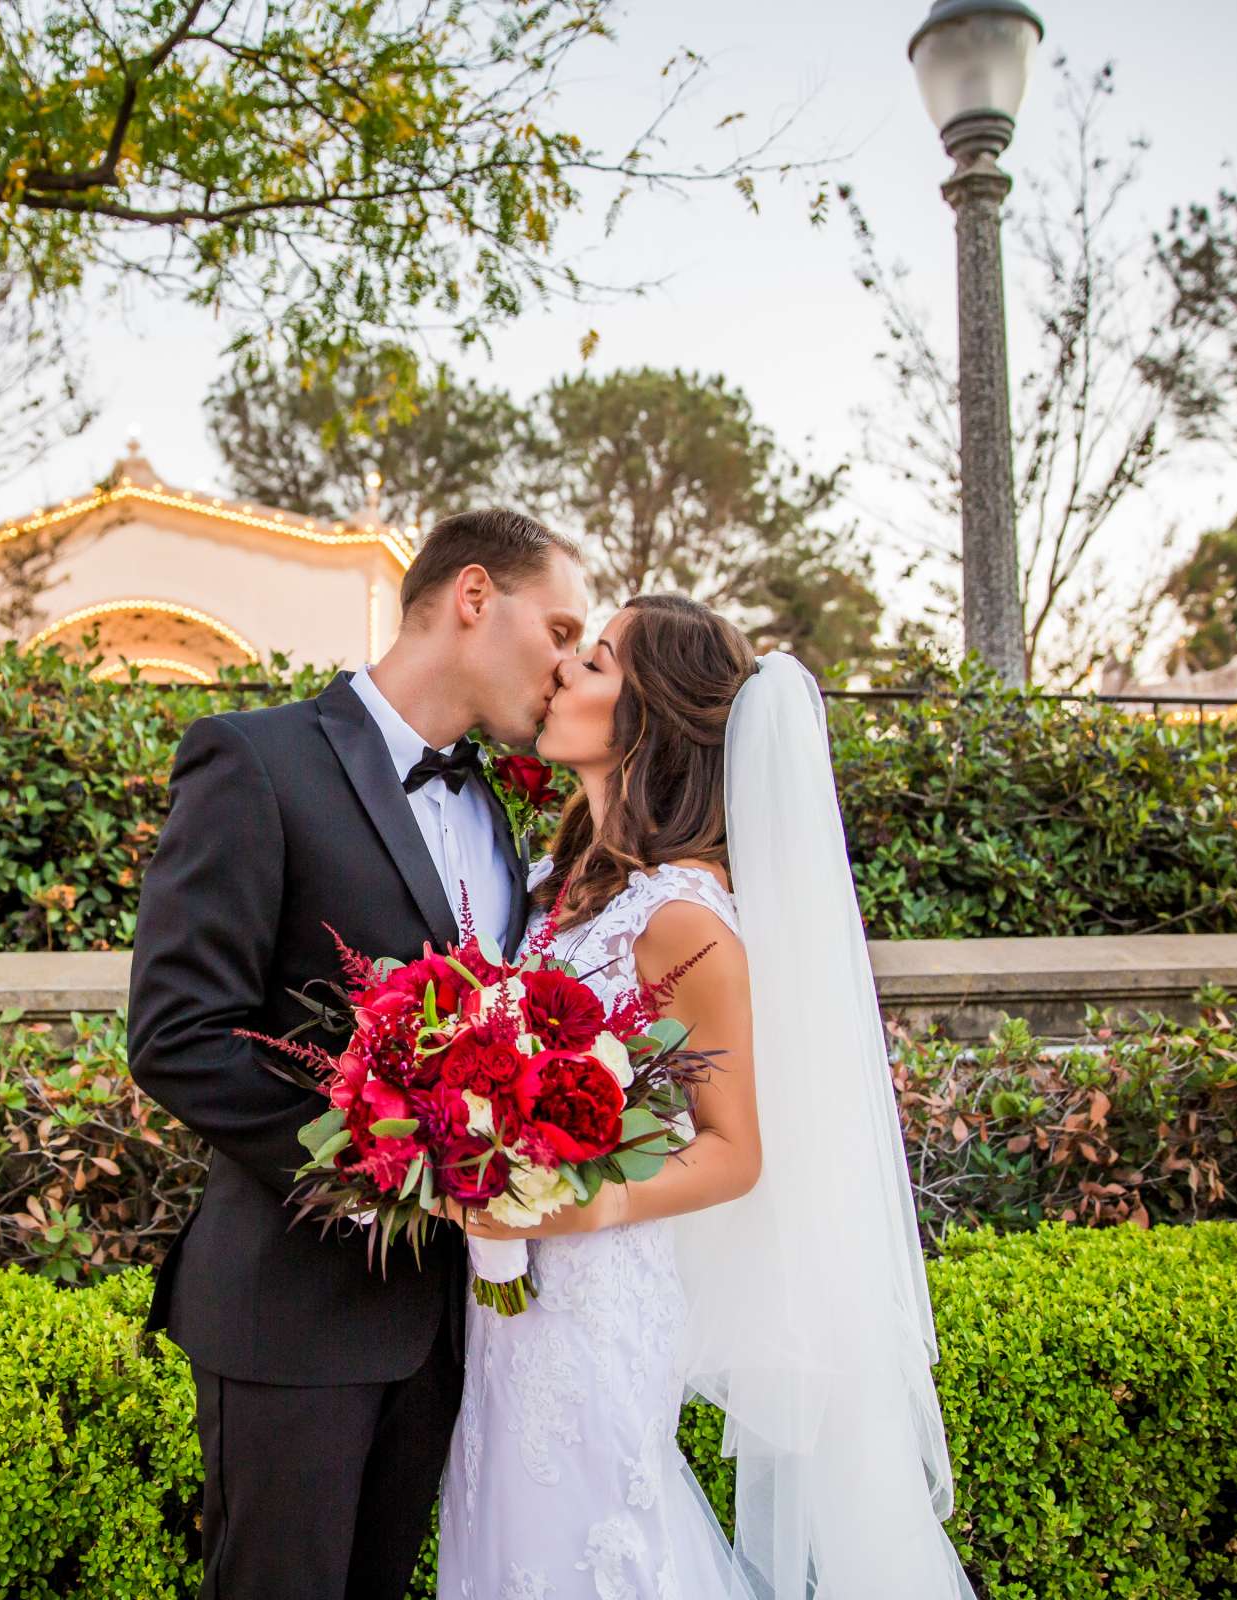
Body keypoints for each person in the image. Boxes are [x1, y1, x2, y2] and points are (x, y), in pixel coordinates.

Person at [433, 595, 976, 1600]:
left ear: (647, 718)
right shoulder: (552, 880)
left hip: (601, 1295)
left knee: (593, 1535)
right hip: (507, 1291)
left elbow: (737, 1147)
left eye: (592, 663)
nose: (560, 675)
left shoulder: (684, 917)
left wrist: (596, 1200)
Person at [127, 508, 591, 1600]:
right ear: (475, 596)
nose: (569, 667)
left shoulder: (496, 805)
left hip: (444, 1336)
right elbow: (178, 1034)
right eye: (562, 630)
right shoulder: (256, 758)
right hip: (291, 1318)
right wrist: (397, 1164)